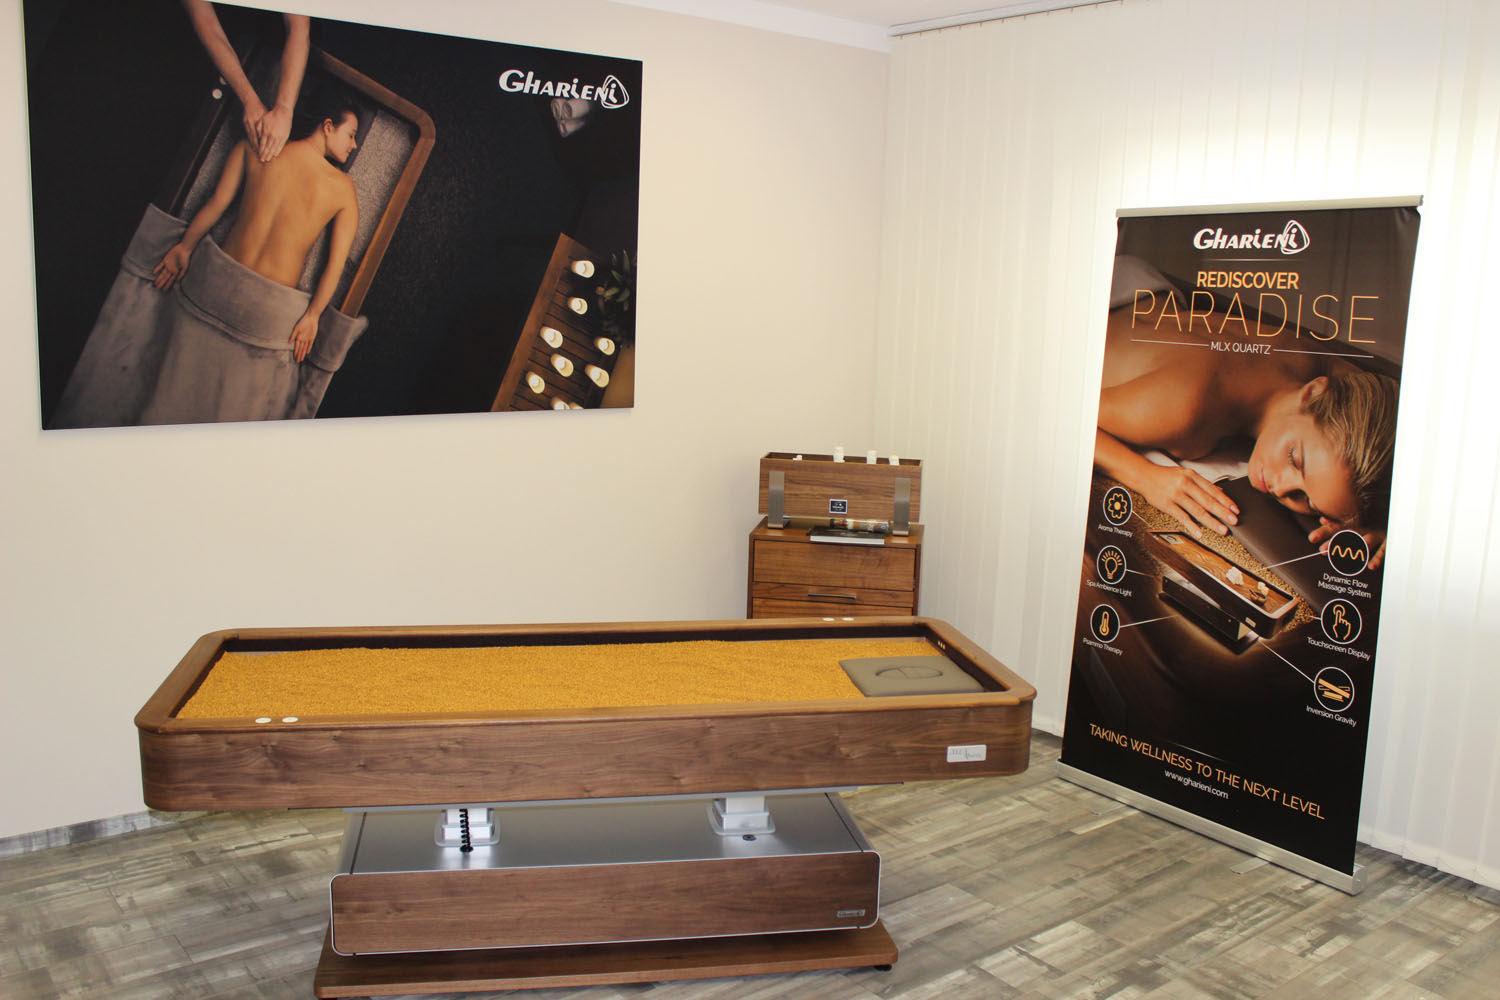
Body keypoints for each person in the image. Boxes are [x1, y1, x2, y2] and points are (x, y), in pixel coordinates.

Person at [1095, 288, 1397, 569]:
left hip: (1148, 304)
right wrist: (1145, 477)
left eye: (1307, 500)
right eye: (1294, 459)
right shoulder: (1181, 410)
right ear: (1313, 393)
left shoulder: (1339, 383)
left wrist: (1380, 520)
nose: (1280, 487)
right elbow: (1071, 411)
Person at [152, 98, 361, 362]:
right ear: (328, 126)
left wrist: (185, 247)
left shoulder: (252, 147)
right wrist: (313, 315)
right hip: (267, 308)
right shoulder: (343, 189)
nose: (354, 145)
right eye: (351, 135)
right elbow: (335, 265)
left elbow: (216, 204)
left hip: (216, 281)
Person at [181, 1, 310, 162]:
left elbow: (299, 29)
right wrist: (249, 101)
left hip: (279, 39)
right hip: (226, 36)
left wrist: (284, 108)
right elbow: (209, 28)